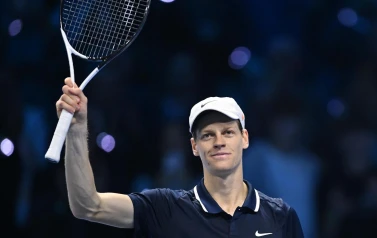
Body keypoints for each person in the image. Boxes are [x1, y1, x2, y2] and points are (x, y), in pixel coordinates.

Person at [56, 77, 305, 237]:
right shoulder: (166, 208)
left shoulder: (280, 216)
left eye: (228, 132)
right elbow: (88, 206)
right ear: (194, 146)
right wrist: (77, 130)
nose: (219, 141)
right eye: (207, 135)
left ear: (245, 138)